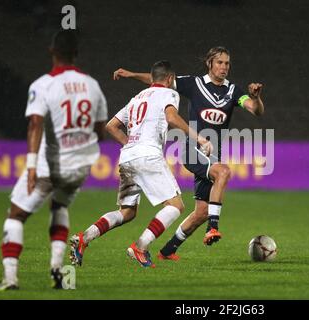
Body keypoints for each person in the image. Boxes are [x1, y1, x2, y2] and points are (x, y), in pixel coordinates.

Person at [113, 47, 264, 260]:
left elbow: (255, 110)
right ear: (209, 63)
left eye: (227, 63)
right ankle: (213, 227)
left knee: (201, 211)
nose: (224, 67)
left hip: (212, 155)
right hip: (194, 150)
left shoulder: (234, 91)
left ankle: (167, 251)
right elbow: (159, 80)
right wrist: (132, 74)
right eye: (220, 62)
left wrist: (256, 98)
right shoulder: (194, 84)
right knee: (223, 172)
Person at [69, 61, 212, 268]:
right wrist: (198, 138)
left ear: (153, 78)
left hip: (128, 156)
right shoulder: (170, 94)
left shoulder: (137, 98)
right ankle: (141, 247)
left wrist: (131, 145)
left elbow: (112, 126)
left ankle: (84, 238)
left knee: (127, 212)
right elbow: (171, 117)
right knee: (175, 206)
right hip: (148, 155)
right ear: (170, 79)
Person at [0, 30, 108, 291]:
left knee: (15, 216)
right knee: (59, 207)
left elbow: (35, 124)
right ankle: (58, 272)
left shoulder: (43, 84)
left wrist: (32, 165)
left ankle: (10, 279)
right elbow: (100, 130)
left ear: (51, 51)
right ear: (76, 54)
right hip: (79, 165)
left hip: (50, 163)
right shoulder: (92, 85)